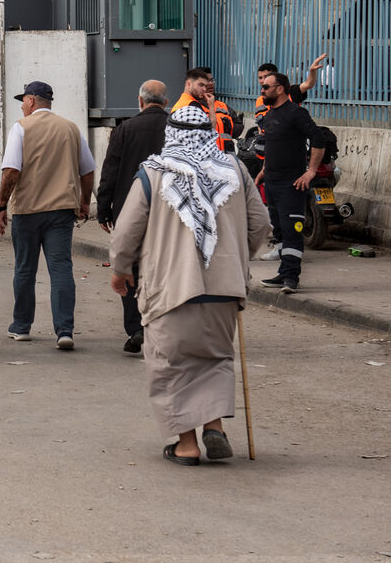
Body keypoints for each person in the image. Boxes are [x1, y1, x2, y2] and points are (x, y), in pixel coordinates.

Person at [109, 103, 270, 465]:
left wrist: (120, 269)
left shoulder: (153, 174)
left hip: (171, 290)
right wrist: (236, 257)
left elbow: (126, 231)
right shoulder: (235, 170)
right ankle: (214, 428)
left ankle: (187, 445)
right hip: (224, 290)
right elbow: (260, 225)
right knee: (215, 358)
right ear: (210, 134)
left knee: (171, 363)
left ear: (171, 134)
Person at [0, 81, 96, 350]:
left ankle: (21, 327)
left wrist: (1, 205)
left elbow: (11, 170)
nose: (22, 106)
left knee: (25, 269)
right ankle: (64, 331)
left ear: (31, 100)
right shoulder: (71, 128)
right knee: (61, 268)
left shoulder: (21, 127)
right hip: (61, 211)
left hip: (28, 211)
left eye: (23, 101)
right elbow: (87, 170)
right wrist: (85, 202)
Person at [95, 79, 169, 354]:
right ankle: (160, 326)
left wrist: (104, 209)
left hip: (129, 209)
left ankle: (136, 328)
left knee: (129, 267)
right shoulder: (175, 128)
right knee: (164, 267)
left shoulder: (124, 129)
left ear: (140, 101)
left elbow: (110, 171)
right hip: (168, 210)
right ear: (166, 102)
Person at [254, 72, 329, 293]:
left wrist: (311, 171)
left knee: (291, 230)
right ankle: (283, 272)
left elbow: (318, 139)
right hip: (271, 182)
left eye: (266, 87)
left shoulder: (296, 113)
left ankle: (291, 278)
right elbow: (273, 147)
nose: (262, 90)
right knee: (278, 230)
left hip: (292, 184)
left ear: (280, 89)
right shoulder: (269, 116)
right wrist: (264, 170)